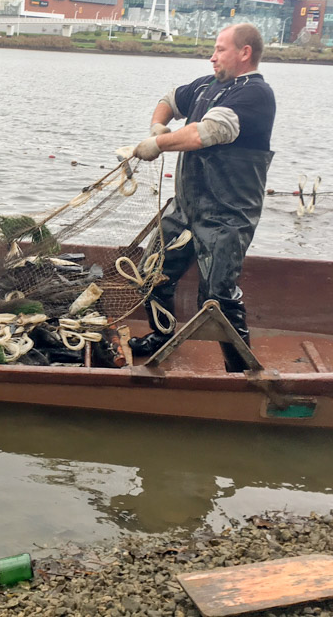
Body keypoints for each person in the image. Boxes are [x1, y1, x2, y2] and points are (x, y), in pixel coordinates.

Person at [116, 23, 275, 372]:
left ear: (244, 53)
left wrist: (157, 144)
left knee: (217, 298)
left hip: (226, 216)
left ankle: (241, 370)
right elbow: (169, 100)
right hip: (185, 209)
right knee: (151, 272)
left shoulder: (254, 95)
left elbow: (208, 132)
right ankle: (162, 334)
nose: (211, 56)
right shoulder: (207, 86)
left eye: (219, 49)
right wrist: (158, 126)